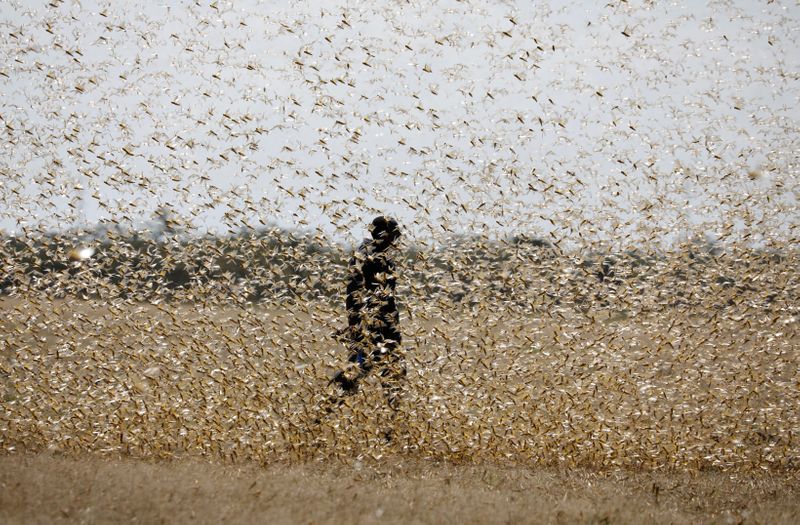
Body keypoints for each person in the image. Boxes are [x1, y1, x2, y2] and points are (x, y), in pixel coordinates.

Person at [332, 216, 404, 409]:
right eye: (394, 236)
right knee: (389, 368)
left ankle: (325, 411)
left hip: (368, 321)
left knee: (365, 364)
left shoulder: (365, 253)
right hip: (377, 324)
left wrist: (354, 323)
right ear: (384, 235)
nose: (396, 241)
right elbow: (367, 295)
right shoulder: (375, 258)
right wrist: (365, 324)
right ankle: (392, 423)